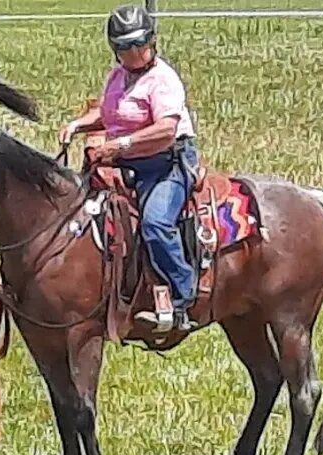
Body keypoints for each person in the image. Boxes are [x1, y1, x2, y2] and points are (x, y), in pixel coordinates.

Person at [59, 4, 202, 333]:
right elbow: (110, 115)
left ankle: (184, 293)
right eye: (124, 47)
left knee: (155, 223)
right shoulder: (118, 76)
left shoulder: (163, 79)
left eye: (139, 45)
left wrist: (121, 145)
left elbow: (166, 129)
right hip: (127, 162)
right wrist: (78, 125)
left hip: (165, 163)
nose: (133, 52)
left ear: (152, 42)